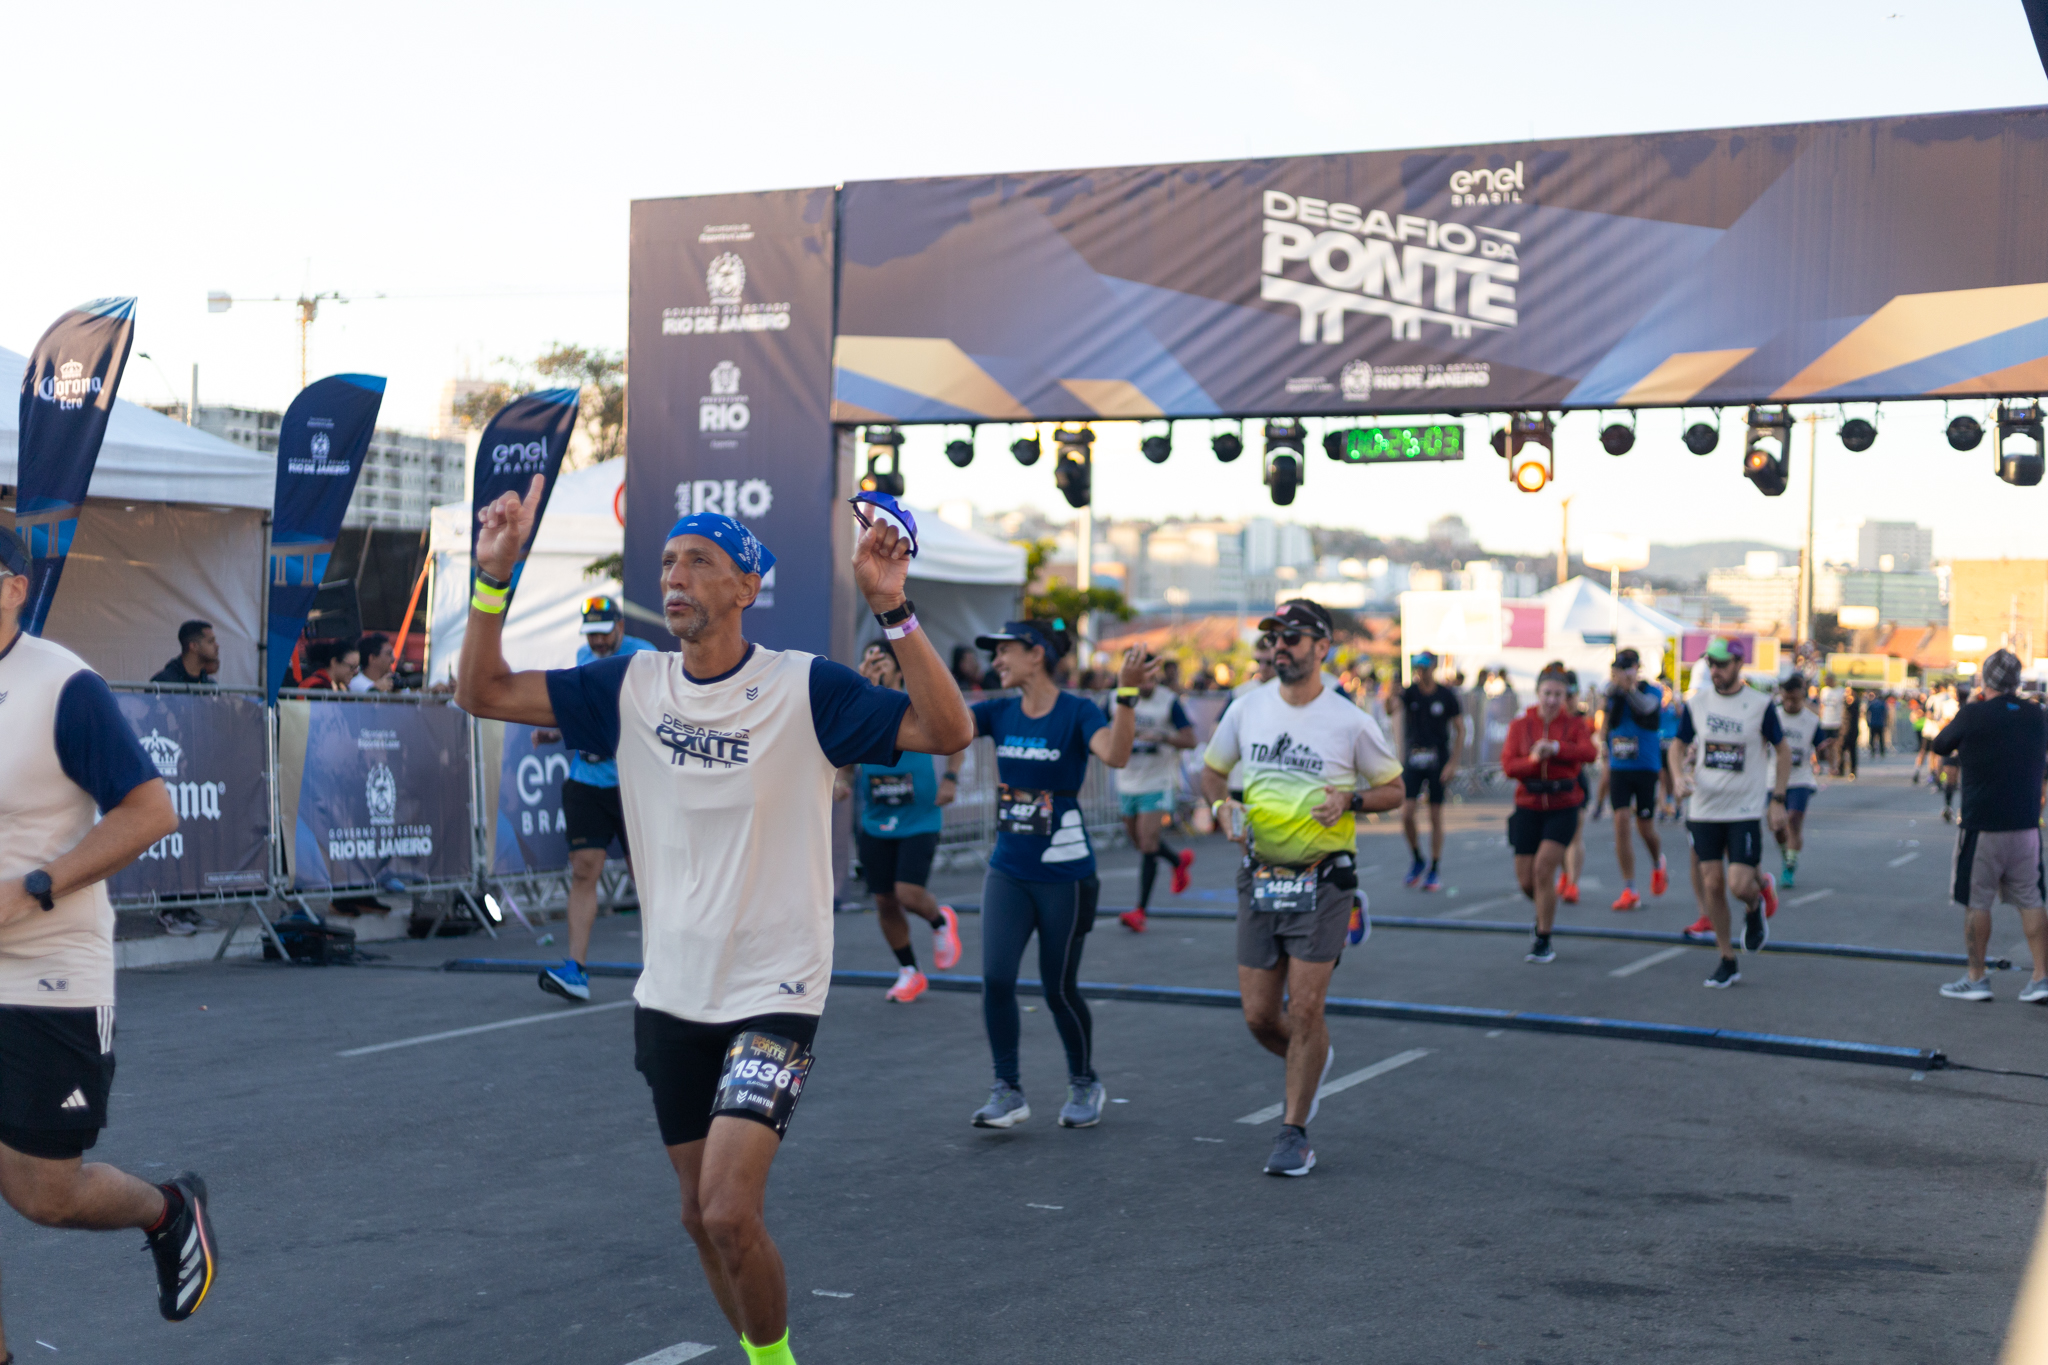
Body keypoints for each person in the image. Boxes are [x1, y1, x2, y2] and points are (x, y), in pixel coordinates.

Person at [454, 479, 973, 1365]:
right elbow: (482, 689)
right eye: (667, 561)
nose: (677, 575)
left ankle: (777, 1363)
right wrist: (492, 582)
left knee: (732, 1209)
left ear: (746, 587)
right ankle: (761, 1354)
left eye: (701, 560)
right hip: (672, 992)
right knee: (698, 1217)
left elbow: (948, 728)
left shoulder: (805, 686)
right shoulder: (633, 683)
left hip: (775, 987)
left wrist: (892, 607)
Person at [0, 526, 220, 1337]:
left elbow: (150, 811)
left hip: (48, 970)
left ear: (14, 587)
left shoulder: (64, 685)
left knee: (43, 1194)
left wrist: (32, 888)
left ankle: (167, 1210)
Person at [1200, 599, 1402, 1177]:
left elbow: (1394, 789)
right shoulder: (1246, 708)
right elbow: (1212, 770)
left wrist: (1351, 800)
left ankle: (1294, 1132)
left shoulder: (1350, 721)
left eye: (1293, 637)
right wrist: (1220, 806)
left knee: (1306, 1007)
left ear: (1322, 648)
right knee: (1261, 1017)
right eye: (1275, 636)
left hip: (1324, 877)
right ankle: (1311, 1053)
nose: (1280, 646)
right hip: (1260, 876)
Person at [965, 621, 1141, 1133]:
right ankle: (1007, 1090)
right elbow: (940, 724)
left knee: (1057, 987)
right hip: (1008, 869)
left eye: (1005, 651)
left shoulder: (1078, 712)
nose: (996, 661)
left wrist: (1125, 696)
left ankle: (1085, 1080)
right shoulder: (998, 711)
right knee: (996, 979)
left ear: (1036, 654)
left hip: (1065, 873)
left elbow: (1116, 754)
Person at [532, 596, 661, 1002]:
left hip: (633, 783)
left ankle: (666, 969)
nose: (598, 642)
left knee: (649, 880)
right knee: (584, 870)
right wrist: (558, 732)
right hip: (586, 780)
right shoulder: (582, 655)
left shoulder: (644, 656)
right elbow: (583, 712)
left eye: (604, 632)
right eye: (591, 633)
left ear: (620, 626)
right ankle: (576, 970)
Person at [834, 640, 964, 1001]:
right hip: (877, 820)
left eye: (881, 660)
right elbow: (847, 758)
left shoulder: (916, 702)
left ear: (897, 667)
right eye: (867, 659)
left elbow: (959, 735)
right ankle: (909, 970)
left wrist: (951, 779)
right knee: (884, 901)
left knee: (907, 893)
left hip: (919, 817)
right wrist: (842, 782)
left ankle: (940, 920)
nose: (873, 665)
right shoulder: (858, 707)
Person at [1927, 650, 2048, 1002]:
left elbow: (1940, 744)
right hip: (2026, 826)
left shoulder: (1974, 713)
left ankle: (1977, 978)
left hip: (1982, 826)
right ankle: (2041, 977)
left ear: (1985, 681)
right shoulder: (2038, 715)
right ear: (2018, 682)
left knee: (1977, 901)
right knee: (2032, 899)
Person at [1669, 637, 1788, 989]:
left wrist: (1777, 799)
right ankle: (1727, 958)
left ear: (1739, 664)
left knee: (1738, 884)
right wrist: (1677, 779)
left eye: (1722, 664)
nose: (1715, 670)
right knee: (1712, 883)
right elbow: (1677, 747)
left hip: (1744, 808)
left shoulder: (1759, 704)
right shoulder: (1698, 704)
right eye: (1711, 664)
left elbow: (1782, 752)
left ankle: (1755, 904)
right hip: (1704, 807)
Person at [1500, 668, 1597, 963]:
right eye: (1548, 694)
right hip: (1528, 805)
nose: (1553, 700)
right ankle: (1543, 912)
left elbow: (1589, 753)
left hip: (1563, 804)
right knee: (1527, 880)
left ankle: (1543, 938)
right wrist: (1532, 760)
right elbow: (1508, 766)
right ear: (1538, 694)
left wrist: (1555, 748)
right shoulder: (1521, 725)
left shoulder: (1574, 724)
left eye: (1559, 695)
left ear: (1566, 697)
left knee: (1544, 869)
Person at [1112, 661, 1196, 932]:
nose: (1147, 685)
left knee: (1148, 844)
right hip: (1127, 781)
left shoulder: (1168, 701)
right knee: (1141, 844)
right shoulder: (1116, 699)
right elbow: (1099, 731)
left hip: (1158, 781)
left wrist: (1162, 737)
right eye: (1142, 680)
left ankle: (1140, 911)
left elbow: (1191, 739)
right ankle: (1177, 861)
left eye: (1152, 680)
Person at [1601, 648, 1668, 911]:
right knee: (1620, 821)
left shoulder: (1650, 691)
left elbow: (1648, 709)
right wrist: (1615, 690)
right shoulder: (1612, 692)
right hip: (1619, 765)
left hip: (1645, 765)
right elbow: (1606, 719)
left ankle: (1657, 863)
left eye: (1628, 668)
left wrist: (1629, 689)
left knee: (1645, 827)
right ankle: (1629, 887)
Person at [1395, 651, 1463, 893]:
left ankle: (1434, 866)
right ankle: (1417, 858)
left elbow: (1460, 728)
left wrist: (1453, 763)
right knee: (1406, 813)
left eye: (1424, 666)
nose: (1420, 671)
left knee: (1435, 815)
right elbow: (1391, 709)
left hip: (1437, 759)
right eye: (1417, 667)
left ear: (1433, 667)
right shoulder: (1409, 692)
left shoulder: (1446, 695)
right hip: (1414, 758)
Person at [1772, 674, 1823, 890]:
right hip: (1773, 777)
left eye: (1794, 699)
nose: (1790, 704)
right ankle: (1787, 854)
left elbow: (1822, 747)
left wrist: (1828, 753)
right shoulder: (1773, 717)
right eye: (1786, 699)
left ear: (1802, 696)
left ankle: (1790, 866)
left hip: (1800, 777)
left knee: (1793, 819)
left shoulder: (1811, 720)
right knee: (1776, 825)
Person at [149, 620, 218, 686]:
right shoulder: (163, 682)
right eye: (210, 641)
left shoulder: (210, 685)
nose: (217, 646)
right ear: (194, 646)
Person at [1817, 674, 1845, 772]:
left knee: (1835, 745)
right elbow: (1822, 705)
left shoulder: (1840, 691)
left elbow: (1843, 707)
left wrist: (1843, 721)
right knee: (1827, 746)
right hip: (1825, 721)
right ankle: (1831, 766)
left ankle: (1836, 765)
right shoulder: (1824, 691)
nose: (1826, 682)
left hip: (1836, 722)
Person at [1838, 687, 1862, 779]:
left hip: (1852, 730)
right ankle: (1841, 769)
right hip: (1843, 729)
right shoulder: (1844, 703)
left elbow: (1852, 706)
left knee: (1852, 751)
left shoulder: (1855, 703)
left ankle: (1853, 770)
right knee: (1841, 749)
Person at [1866, 689, 1890, 759]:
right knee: (1881, 739)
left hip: (1873, 723)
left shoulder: (1872, 703)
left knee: (1872, 739)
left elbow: (1867, 713)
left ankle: (1872, 752)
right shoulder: (1882, 704)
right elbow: (1885, 714)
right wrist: (1886, 722)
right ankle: (1882, 752)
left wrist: (1868, 721)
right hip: (1880, 723)